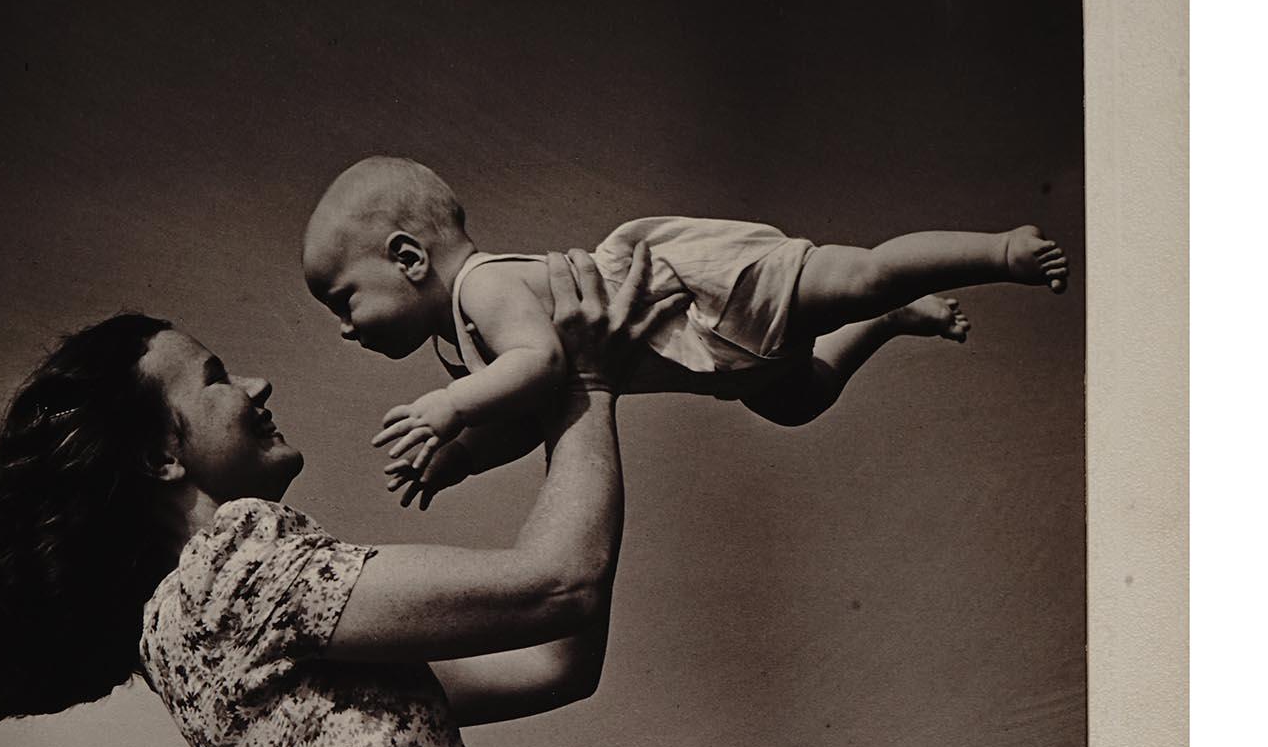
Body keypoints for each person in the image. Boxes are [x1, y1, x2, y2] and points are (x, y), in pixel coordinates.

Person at [0, 249, 680, 747]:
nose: (257, 385)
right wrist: (584, 384)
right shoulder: (235, 565)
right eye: (217, 377)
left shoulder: (185, 636)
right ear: (159, 456)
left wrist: (562, 415)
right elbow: (561, 586)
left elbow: (556, 661)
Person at [301, 155, 1069, 504]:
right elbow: (528, 415)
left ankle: (999, 250)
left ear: (407, 259)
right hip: (715, 356)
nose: (344, 328)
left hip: (701, 292)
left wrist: (451, 411)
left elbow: (536, 367)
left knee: (858, 273)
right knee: (802, 401)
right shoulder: (467, 342)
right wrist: (464, 458)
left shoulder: (485, 287)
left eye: (343, 300)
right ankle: (892, 322)